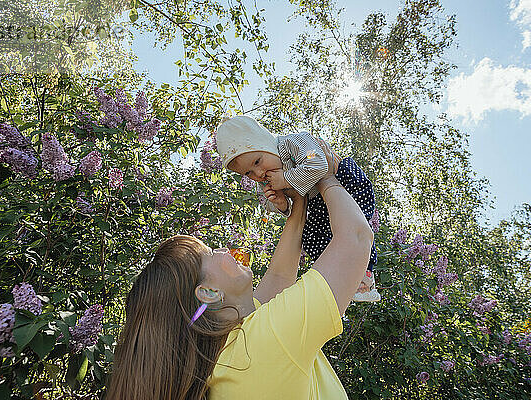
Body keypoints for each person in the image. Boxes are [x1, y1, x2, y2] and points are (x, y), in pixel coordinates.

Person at [106, 156, 375, 400]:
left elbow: (280, 276)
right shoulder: (264, 344)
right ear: (207, 293)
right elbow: (356, 238)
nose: (224, 249)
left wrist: (299, 197)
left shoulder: (234, 350)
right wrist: (325, 175)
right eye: (211, 254)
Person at [216, 115, 380, 302]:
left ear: (265, 144)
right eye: (248, 173)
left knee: (354, 223)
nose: (259, 173)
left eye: (257, 161)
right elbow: (277, 204)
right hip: (319, 200)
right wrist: (280, 202)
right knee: (310, 238)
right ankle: (343, 273)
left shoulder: (294, 143)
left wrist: (286, 179)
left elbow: (316, 160)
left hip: (346, 181)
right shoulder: (267, 176)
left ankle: (365, 272)